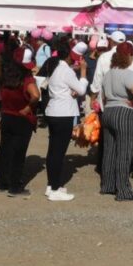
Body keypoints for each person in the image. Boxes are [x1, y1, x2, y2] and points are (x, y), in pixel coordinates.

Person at [100, 42, 133, 202]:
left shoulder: (108, 73)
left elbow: (104, 96)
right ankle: (124, 191)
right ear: (129, 56)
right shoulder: (128, 73)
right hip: (123, 112)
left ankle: (108, 185)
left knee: (109, 151)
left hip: (109, 111)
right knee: (124, 152)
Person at [43, 41, 86, 201]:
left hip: (54, 111)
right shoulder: (65, 70)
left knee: (53, 150)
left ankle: (52, 185)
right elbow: (81, 89)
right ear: (69, 55)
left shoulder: (55, 67)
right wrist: (83, 73)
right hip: (63, 114)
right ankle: (54, 188)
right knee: (58, 153)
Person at [0, 57, 40, 197]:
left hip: (7, 116)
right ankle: (15, 186)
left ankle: (2, 183)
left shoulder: (6, 79)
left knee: (4, 150)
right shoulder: (27, 80)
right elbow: (35, 95)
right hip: (22, 118)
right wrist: (28, 108)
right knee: (18, 153)